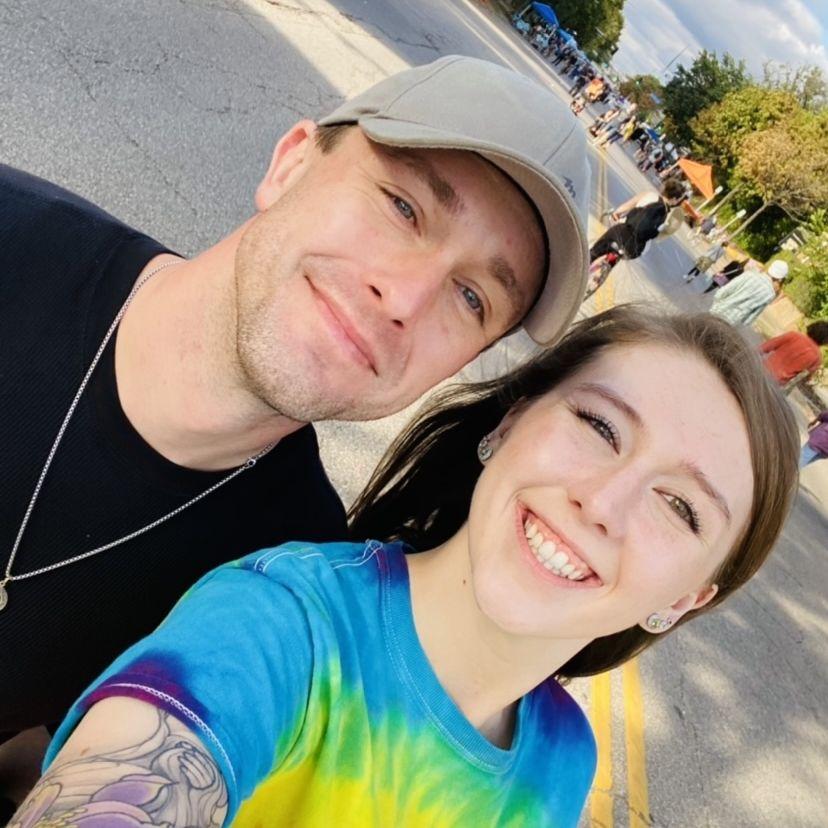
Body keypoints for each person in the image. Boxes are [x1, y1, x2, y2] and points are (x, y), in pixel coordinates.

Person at [0, 54, 592, 775]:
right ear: (291, 164)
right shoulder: (14, 239)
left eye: (472, 298)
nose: (404, 299)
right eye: (403, 208)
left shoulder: (282, 585)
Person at [11, 307, 799, 828]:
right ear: (511, 422)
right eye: (599, 426)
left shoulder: (564, 760)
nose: (603, 501)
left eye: (681, 507)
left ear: (683, 601)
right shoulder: (283, 624)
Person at [590, 178, 687, 263]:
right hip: (634, 249)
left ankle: (587, 262)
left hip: (621, 232)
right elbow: (657, 237)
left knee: (593, 253)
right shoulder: (668, 217)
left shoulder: (650, 195)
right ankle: (607, 268)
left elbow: (625, 207)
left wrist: (616, 213)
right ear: (674, 199)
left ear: (665, 189)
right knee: (619, 254)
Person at [709, 260, 788, 326]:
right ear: (780, 278)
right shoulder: (770, 294)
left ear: (770, 268)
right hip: (731, 321)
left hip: (718, 309)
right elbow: (751, 317)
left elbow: (726, 289)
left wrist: (717, 299)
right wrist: (744, 322)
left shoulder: (750, 274)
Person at [760, 321, 828, 386]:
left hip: (761, 369)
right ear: (825, 341)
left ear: (812, 327)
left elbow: (765, 347)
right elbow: (806, 378)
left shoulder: (793, 335)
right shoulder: (817, 357)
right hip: (775, 384)